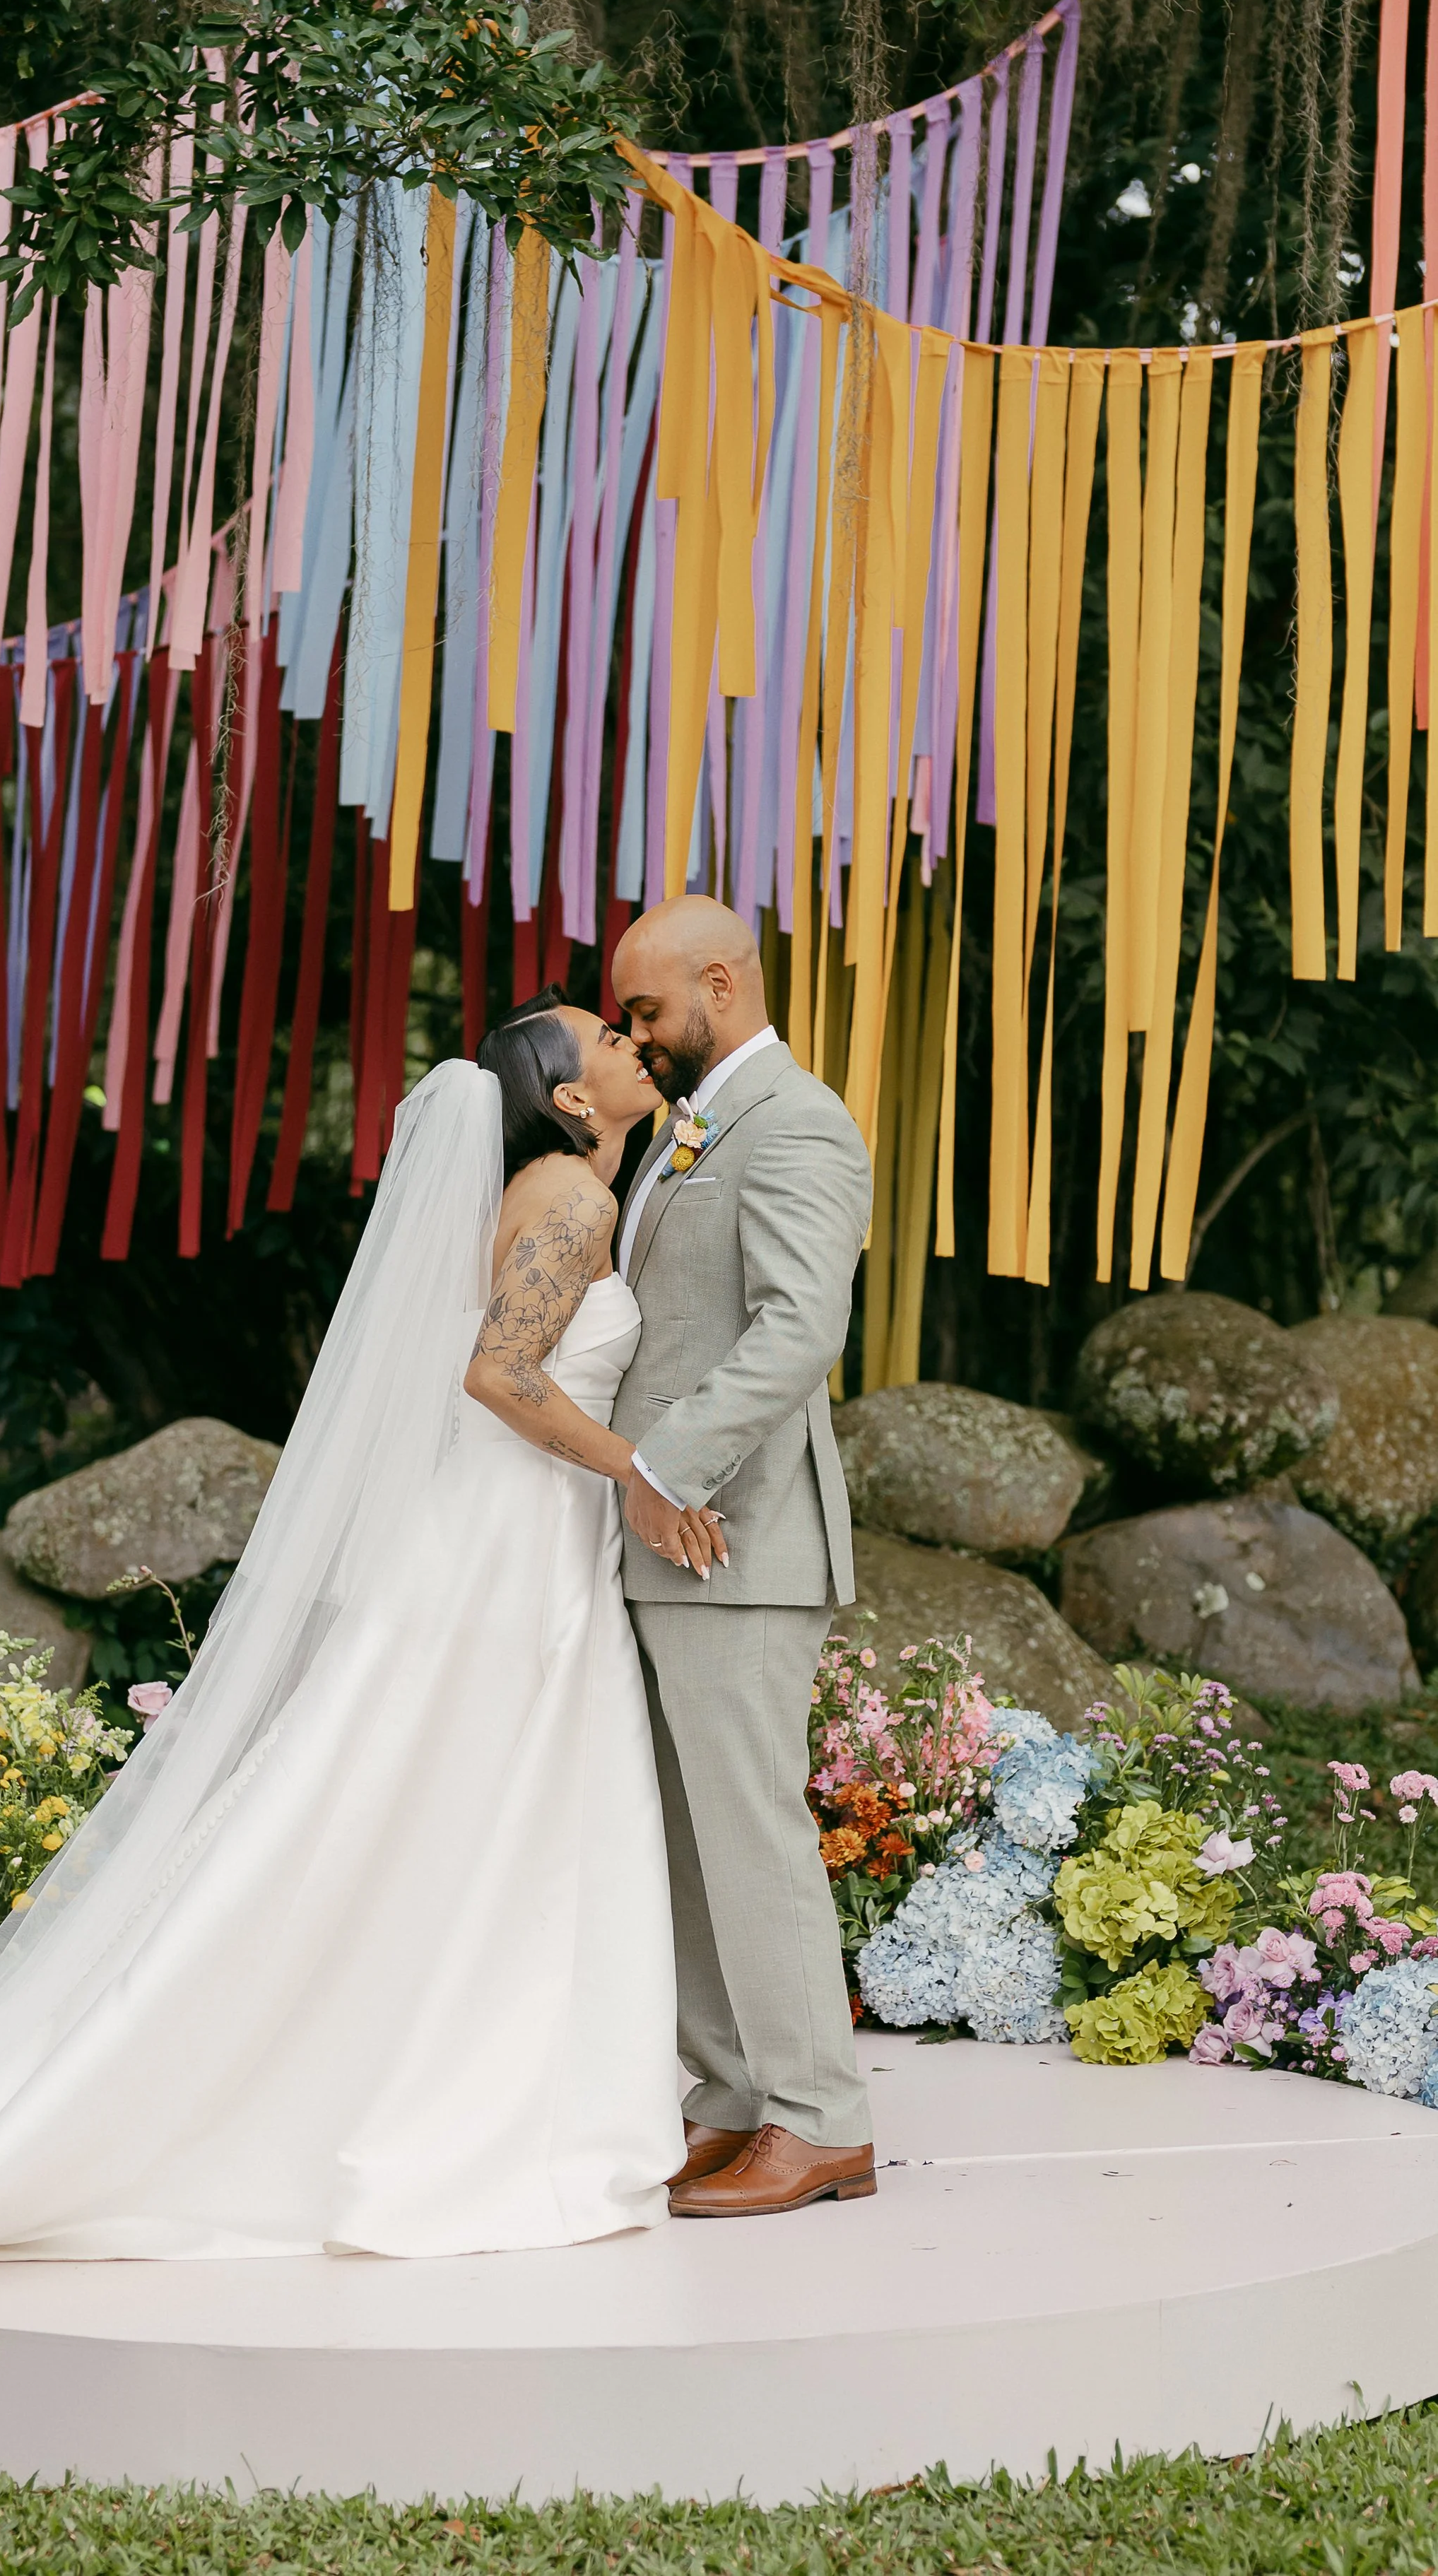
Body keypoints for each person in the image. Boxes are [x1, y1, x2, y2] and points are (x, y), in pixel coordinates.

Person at [0, 1000, 685, 2445]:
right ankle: (450, 2100)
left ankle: (477, 2070)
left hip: (514, 1544)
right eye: (605, 1037)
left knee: (458, 1825)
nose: (631, 1046)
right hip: (500, 1556)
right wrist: (641, 1471)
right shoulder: (572, 1192)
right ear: (564, 1097)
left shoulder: (574, 1183)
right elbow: (500, 1376)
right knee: (447, 1816)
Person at [610, 894, 878, 2216]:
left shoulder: (801, 1123)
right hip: (671, 1547)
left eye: (647, 1009)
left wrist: (664, 1469)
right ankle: (728, 2100)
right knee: (687, 1834)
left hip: (738, 1542)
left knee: (753, 1832)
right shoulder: (693, 1126)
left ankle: (822, 2117)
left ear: (721, 981)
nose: (632, 1033)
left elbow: (797, 1329)